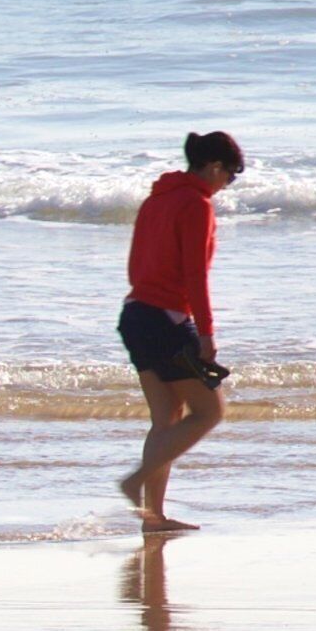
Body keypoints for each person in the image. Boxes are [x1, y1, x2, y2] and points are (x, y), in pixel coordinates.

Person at [116, 130, 243, 533]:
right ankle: (135, 480)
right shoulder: (196, 204)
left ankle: (153, 518)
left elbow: (136, 263)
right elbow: (195, 276)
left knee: (166, 420)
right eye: (230, 176)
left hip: (135, 314)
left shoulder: (157, 198)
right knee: (211, 410)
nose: (227, 186)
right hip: (165, 318)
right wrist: (205, 333)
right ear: (214, 167)